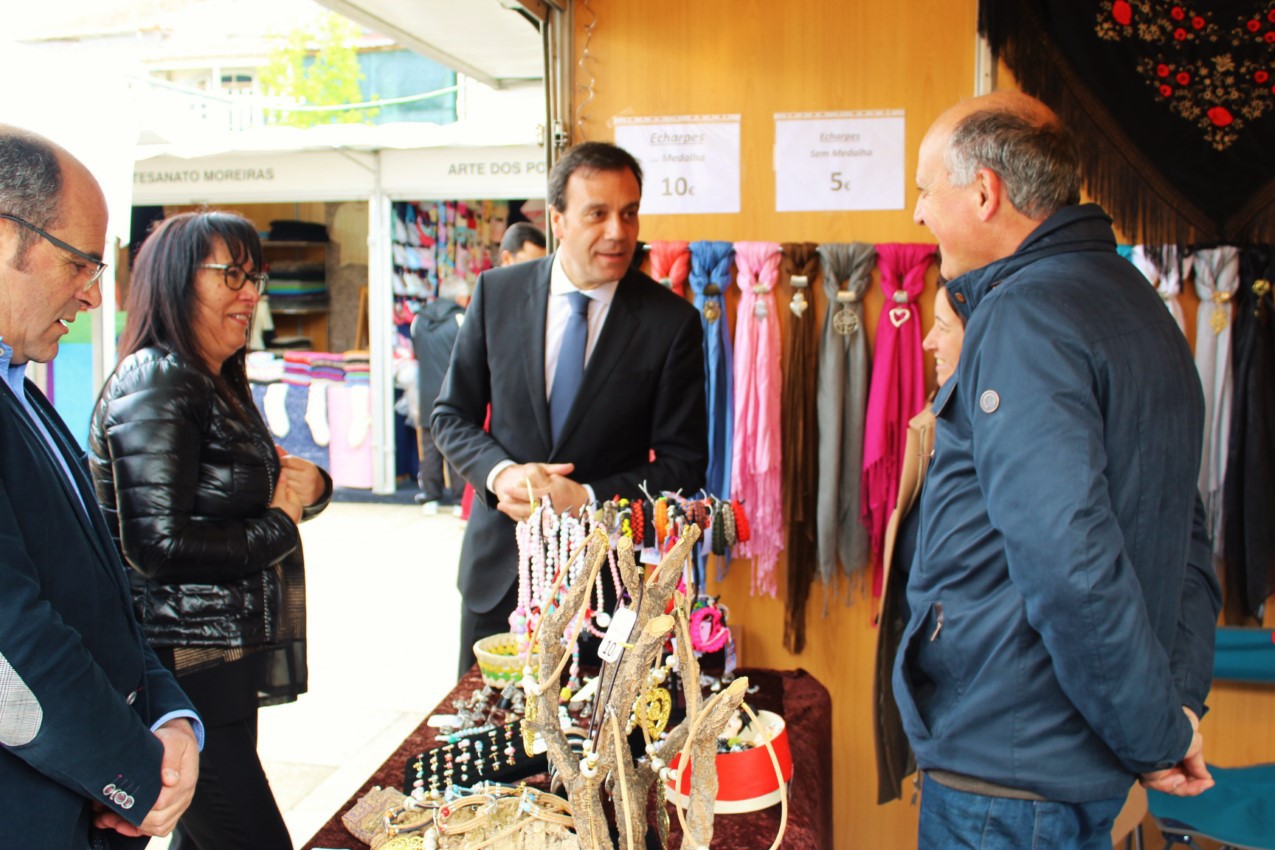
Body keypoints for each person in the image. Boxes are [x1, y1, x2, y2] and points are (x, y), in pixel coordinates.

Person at [896, 90, 1222, 849]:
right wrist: (1170, 710)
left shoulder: (1026, 316)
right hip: (1061, 757)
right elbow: (1187, 536)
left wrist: (1153, 733)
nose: (916, 213)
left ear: (983, 193)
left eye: (924, 188)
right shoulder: (1132, 301)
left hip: (1008, 769)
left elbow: (1066, 560)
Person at [88, 210, 332, 850]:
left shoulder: (210, 380)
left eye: (256, 277)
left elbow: (248, 492)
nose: (250, 295)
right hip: (182, 666)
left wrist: (310, 489)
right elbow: (157, 548)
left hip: (217, 659)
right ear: (175, 280)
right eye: (231, 275)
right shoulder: (159, 380)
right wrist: (281, 522)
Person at [432, 141, 708, 676]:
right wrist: (500, 473)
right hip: (500, 575)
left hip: (607, 589)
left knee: (594, 753)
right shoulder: (496, 294)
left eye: (629, 213)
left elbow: (684, 462)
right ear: (557, 220)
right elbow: (450, 415)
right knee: (484, 739)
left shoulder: (670, 323)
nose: (618, 231)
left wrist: (585, 497)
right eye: (597, 214)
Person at [0, 124, 201, 849]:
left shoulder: (23, 391)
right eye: (80, 263)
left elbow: (97, 594)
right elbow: (11, 643)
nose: (91, 293)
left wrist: (167, 718)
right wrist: (133, 773)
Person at [873, 280, 965, 804]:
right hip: (943, 725)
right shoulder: (939, 426)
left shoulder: (977, 443)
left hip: (973, 738)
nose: (927, 342)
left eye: (944, 328)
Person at [412, 275, 471, 511]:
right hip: (454, 392)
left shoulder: (419, 320)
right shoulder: (460, 319)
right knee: (456, 443)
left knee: (429, 445)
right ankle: (459, 498)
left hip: (426, 392)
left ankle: (430, 495)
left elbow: (417, 353)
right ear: (459, 297)